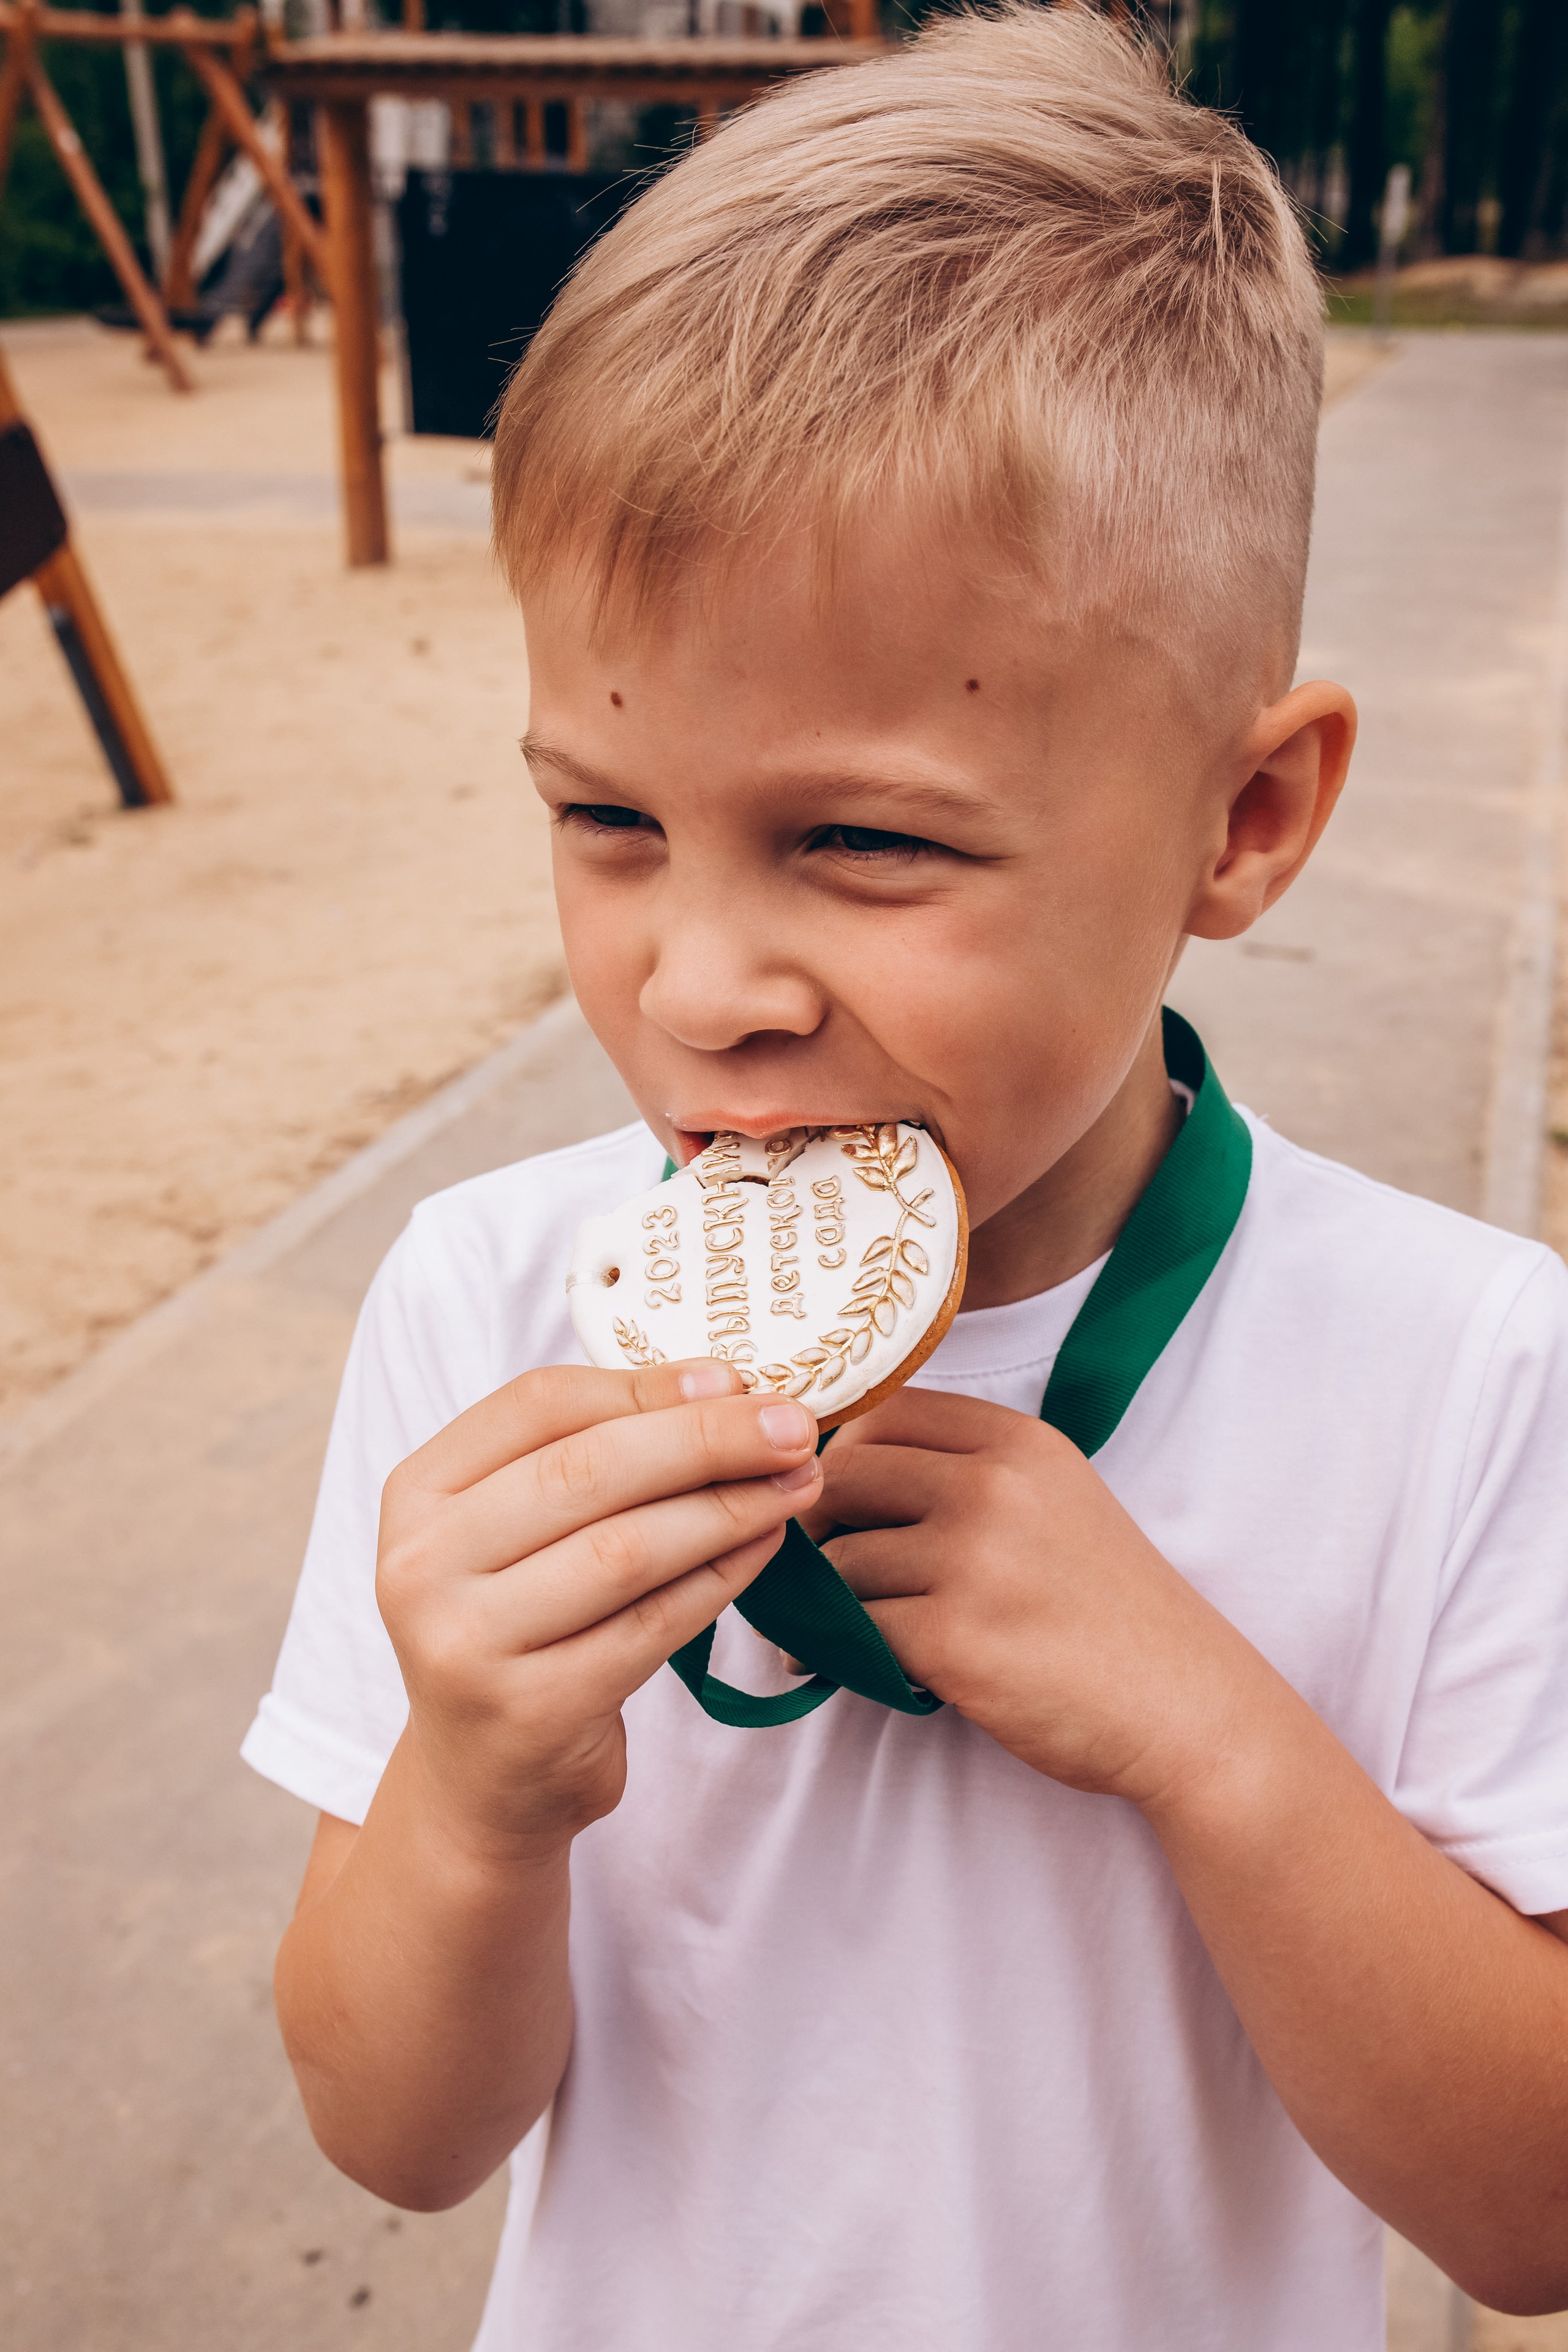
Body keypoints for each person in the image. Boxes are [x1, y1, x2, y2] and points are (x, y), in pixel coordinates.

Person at [241, 8, 1568, 2346]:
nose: (705, 983)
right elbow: (397, 2138)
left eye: (861, 840)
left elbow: (1537, 2223)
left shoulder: (1465, 1371)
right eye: (609, 821)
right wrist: (469, 1785)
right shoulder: (497, 1305)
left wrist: (1211, 1736)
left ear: (1243, 821)